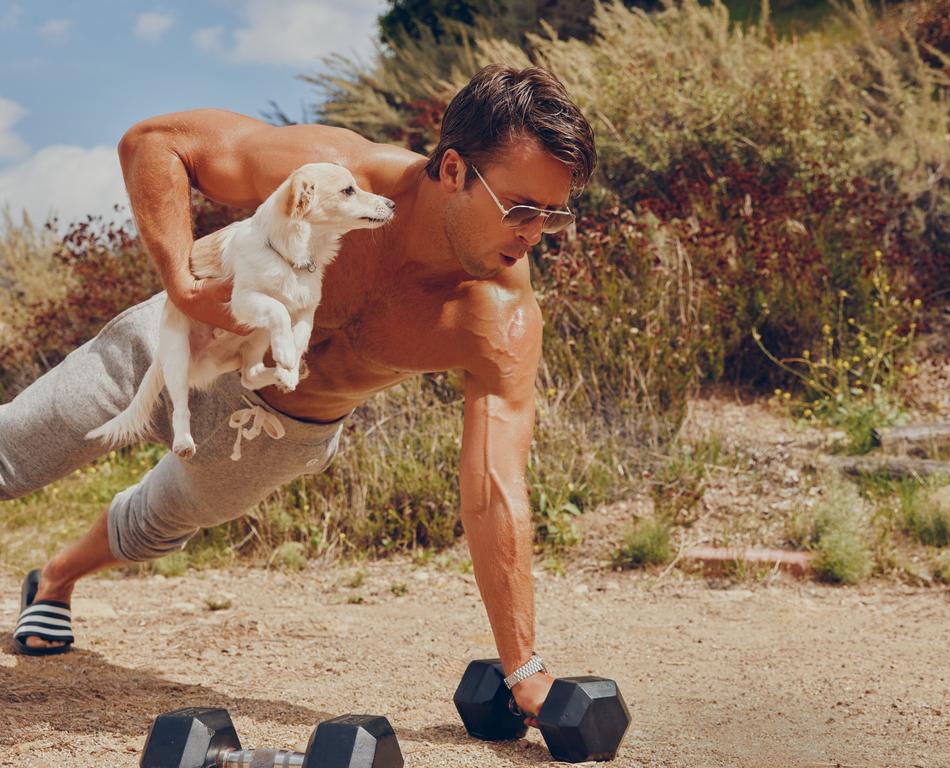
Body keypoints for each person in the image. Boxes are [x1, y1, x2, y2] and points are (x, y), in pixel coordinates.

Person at [1, 64, 597, 727]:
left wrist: (522, 669)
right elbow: (155, 143)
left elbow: (494, 489)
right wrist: (181, 284)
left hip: (284, 432)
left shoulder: (498, 319)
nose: (534, 233)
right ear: (453, 170)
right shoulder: (330, 172)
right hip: (179, 341)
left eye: (553, 214)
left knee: (158, 522)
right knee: (13, 450)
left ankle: (55, 579)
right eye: (520, 207)